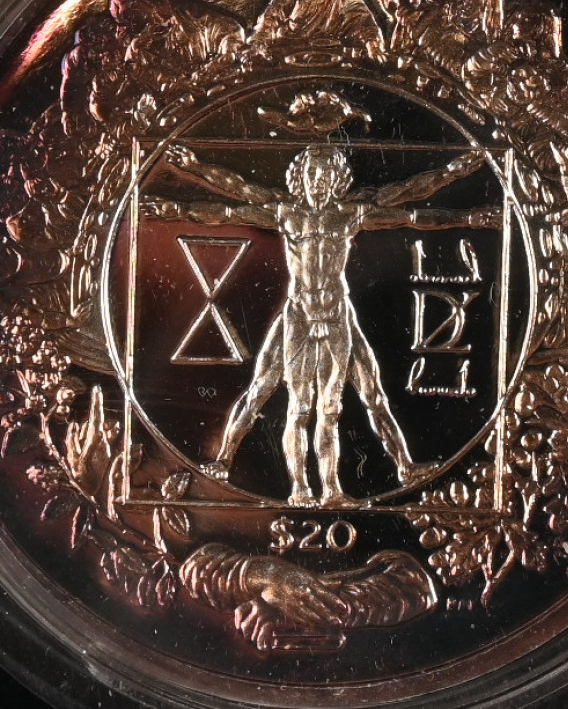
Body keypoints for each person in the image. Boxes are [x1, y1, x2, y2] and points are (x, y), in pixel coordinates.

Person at [144, 141, 499, 507]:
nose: (318, 181)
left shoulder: (349, 214)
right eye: (312, 174)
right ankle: (286, 483)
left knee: (360, 398)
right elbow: (233, 200)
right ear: (299, 178)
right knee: (289, 403)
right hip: (299, 315)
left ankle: (378, 476)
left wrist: (462, 195)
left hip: (336, 315)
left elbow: (409, 206)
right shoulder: (286, 212)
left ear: (337, 181)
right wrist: (188, 179)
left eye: (326, 175)